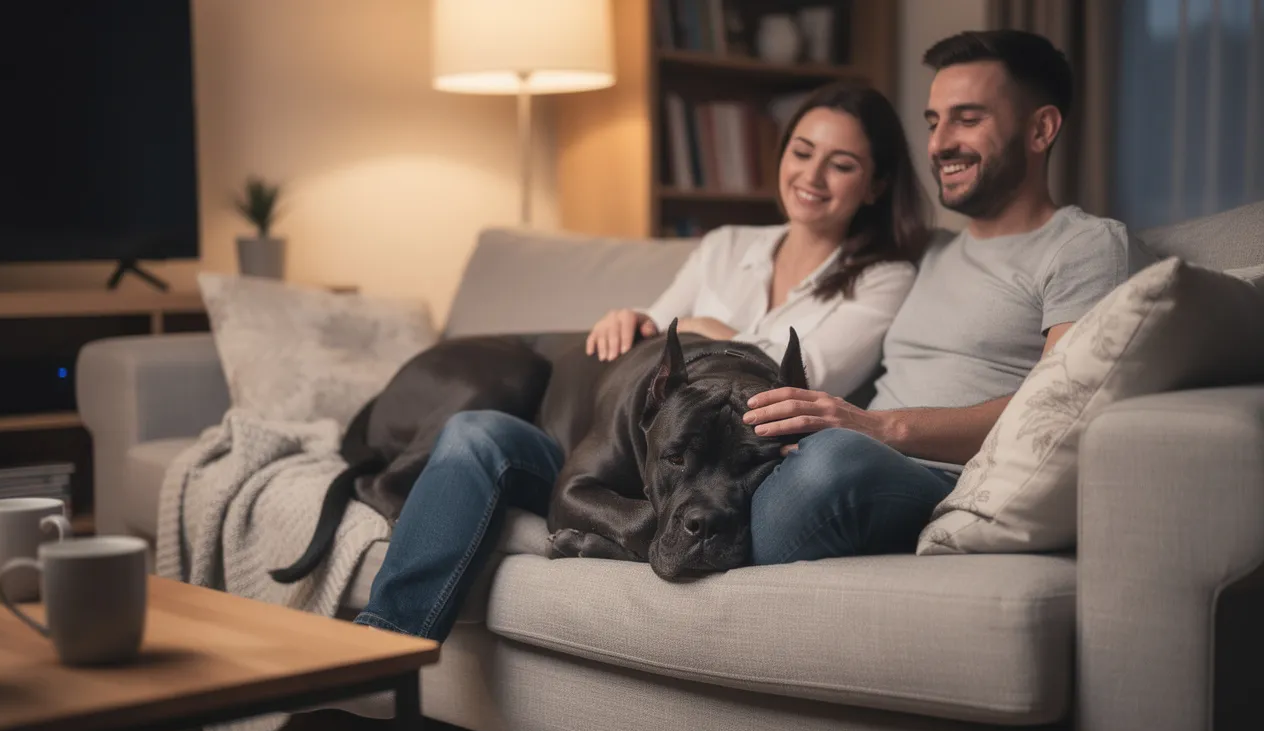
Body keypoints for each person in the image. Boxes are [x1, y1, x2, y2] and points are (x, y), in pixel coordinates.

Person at [353, 80, 931, 641]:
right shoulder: (726, 245)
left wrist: (700, 329)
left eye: (842, 163)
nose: (812, 175)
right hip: (555, 428)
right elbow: (660, 344)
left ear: (876, 184)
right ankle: (383, 643)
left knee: (484, 433)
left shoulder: (884, 280)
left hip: (715, 433)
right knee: (474, 428)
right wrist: (625, 319)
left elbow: (803, 383)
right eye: (801, 152)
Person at [739, 29, 1157, 566]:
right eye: (934, 122)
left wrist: (878, 427)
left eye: (968, 118)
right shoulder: (928, 251)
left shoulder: (1085, 245)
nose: (938, 144)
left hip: (939, 477)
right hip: (857, 450)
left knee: (831, 462)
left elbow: (1063, 404)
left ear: (1041, 129)